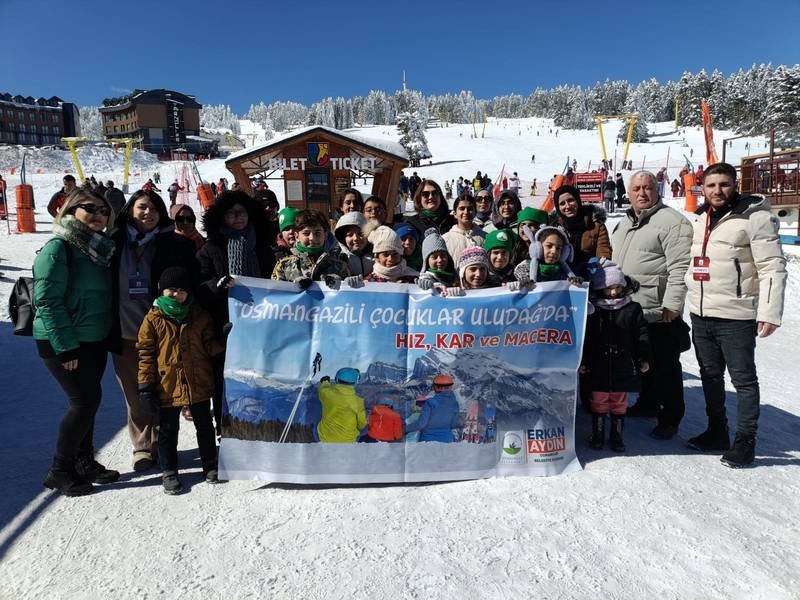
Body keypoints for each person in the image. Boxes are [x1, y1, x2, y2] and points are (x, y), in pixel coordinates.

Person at [684, 162, 786, 467]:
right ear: (703, 187)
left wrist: (769, 311)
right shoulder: (700, 217)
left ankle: (745, 441)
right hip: (701, 313)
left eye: (724, 184)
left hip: (736, 314)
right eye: (711, 185)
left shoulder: (754, 217)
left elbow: (772, 267)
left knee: (743, 380)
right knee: (710, 375)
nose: (717, 191)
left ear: (735, 185)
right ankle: (717, 430)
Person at [35, 189, 119, 496]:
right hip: (64, 341)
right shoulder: (59, 247)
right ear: (70, 211)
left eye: (103, 210)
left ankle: (84, 461)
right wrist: (65, 345)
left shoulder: (96, 249)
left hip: (92, 338)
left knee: (91, 401)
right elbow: (46, 299)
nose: (98, 214)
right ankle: (59, 469)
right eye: (89, 208)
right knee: (83, 403)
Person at [108, 189, 199, 471]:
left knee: (161, 390)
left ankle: (161, 441)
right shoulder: (114, 243)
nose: (148, 213)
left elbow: (191, 278)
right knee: (134, 394)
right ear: (130, 211)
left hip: (162, 331)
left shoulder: (174, 244)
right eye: (142, 207)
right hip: (124, 330)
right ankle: (141, 447)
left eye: (155, 209)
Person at [611, 170, 693, 440]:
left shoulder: (672, 222)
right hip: (632, 307)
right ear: (629, 192)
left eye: (648, 188)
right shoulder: (626, 221)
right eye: (637, 189)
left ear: (657, 190)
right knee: (643, 360)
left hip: (658, 308)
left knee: (666, 365)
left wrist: (672, 303)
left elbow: (680, 267)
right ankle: (647, 403)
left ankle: (670, 417)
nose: (642, 193)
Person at [137, 267, 224, 493]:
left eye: (181, 291)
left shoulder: (200, 317)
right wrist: (145, 386)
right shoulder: (153, 320)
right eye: (171, 290)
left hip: (199, 383)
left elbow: (210, 347)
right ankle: (169, 470)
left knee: (204, 426)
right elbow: (145, 354)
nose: (176, 295)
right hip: (167, 386)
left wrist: (225, 339)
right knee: (167, 430)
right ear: (161, 291)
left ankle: (209, 464)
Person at [197, 191, 276, 433]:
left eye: (241, 212)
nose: (237, 217)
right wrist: (217, 285)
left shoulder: (262, 247)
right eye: (231, 213)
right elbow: (198, 285)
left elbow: (276, 280)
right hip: (225, 326)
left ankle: (260, 426)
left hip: (261, 324)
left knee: (262, 376)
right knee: (228, 379)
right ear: (221, 217)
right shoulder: (211, 249)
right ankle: (226, 429)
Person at [581, 260, 651, 452]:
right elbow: (587, 338)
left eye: (617, 288)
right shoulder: (593, 310)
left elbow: (641, 335)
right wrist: (584, 361)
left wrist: (643, 358)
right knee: (599, 400)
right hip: (599, 364)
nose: (613, 293)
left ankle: (616, 435)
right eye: (608, 288)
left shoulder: (632, 308)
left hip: (623, 364)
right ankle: (597, 433)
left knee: (619, 402)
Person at [272, 209, 349, 285]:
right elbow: (276, 294)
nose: (312, 238)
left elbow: (348, 295)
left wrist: (348, 284)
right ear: (297, 236)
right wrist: (293, 288)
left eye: (317, 233)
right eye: (306, 233)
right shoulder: (284, 265)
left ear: (325, 235)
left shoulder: (340, 266)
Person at [551, 185, 612, 275]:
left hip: (590, 276)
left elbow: (603, 255)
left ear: (578, 201)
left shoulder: (596, 226)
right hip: (561, 279)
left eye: (570, 200)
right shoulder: (554, 227)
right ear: (558, 207)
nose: (567, 206)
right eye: (562, 203)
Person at [405, 374, 460, 443]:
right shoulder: (455, 404)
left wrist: (404, 429)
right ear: (450, 387)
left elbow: (421, 424)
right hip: (447, 441)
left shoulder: (430, 402)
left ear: (436, 387)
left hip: (428, 442)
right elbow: (454, 424)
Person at [316, 368, 367, 443]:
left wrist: (325, 381)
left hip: (325, 437)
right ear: (355, 382)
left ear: (336, 379)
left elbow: (322, 389)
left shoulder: (327, 394)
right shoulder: (358, 402)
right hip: (348, 440)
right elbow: (362, 424)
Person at [442, 195, 485, 260]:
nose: (466, 212)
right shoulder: (445, 239)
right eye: (462, 208)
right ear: (455, 214)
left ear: (475, 212)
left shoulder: (485, 237)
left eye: (470, 209)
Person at [334, 211, 373, 277]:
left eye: (361, 234)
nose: (355, 238)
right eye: (350, 235)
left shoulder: (375, 255)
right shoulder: (338, 258)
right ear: (343, 239)